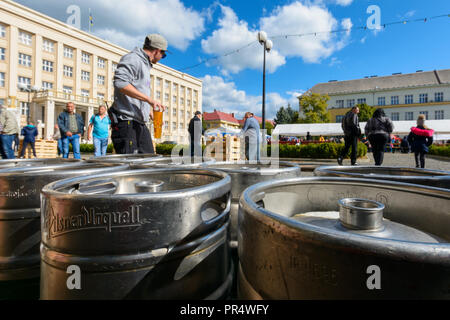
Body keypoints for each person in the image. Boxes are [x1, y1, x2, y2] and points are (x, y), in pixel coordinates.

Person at [110, 34, 167, 154]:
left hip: (139, 123)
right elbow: (120, 83)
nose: (162, 57)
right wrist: (149, 100)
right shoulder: (133, 59)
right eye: (163, 54)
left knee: (149, 162)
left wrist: (149, 112)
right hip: (127, 122)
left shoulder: (145, 65)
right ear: (157, 51)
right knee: (130, 167)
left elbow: (137, 94)